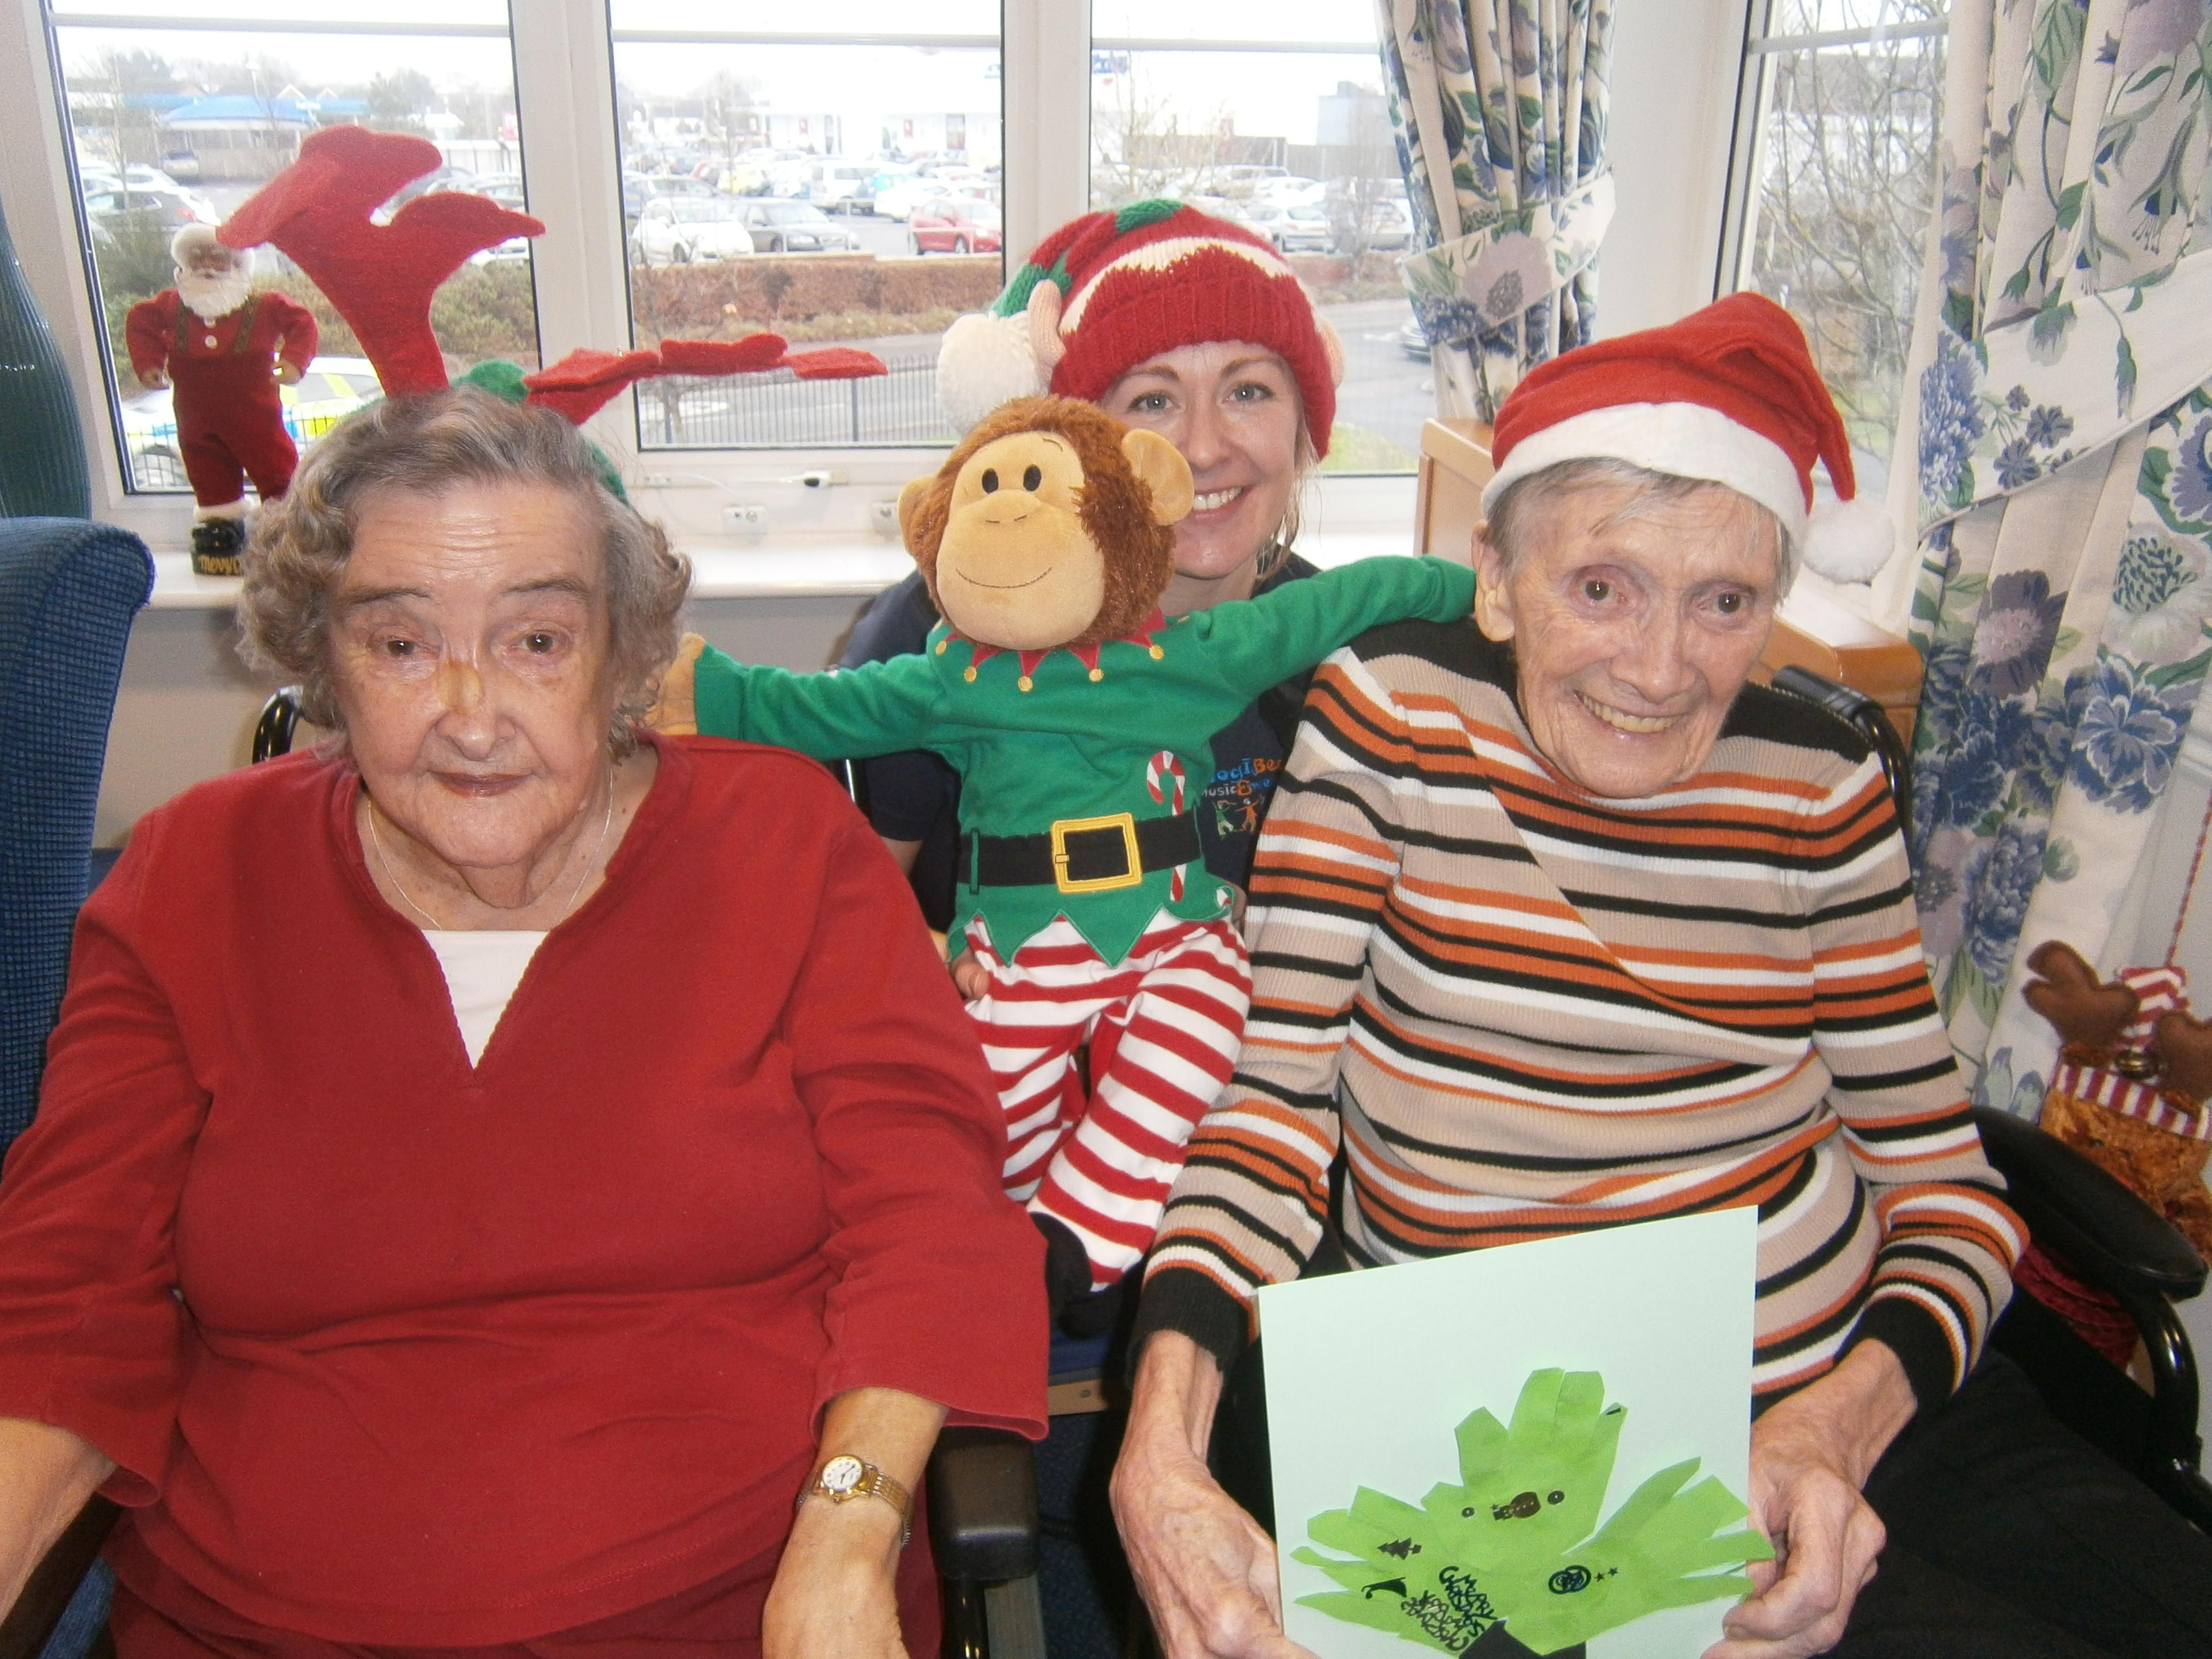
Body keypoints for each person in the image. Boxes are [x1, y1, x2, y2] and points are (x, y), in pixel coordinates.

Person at [1109, 293, 2212, 1659]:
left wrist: (1839, 1422)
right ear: (1498, 579)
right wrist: (1160, 1449)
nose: (1661, 670)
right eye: (1601, 587)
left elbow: (1948, 1194)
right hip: (1528, 1456)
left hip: (1854, 1385)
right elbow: (1275, 1115)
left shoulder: (1819, 787)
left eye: (1726, 603)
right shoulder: (1386, 724)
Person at [0, 387, 1047, 1658]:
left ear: (622, 657)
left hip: (733, 1621)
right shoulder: (192, 878)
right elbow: (59, 1305)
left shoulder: (784, 846)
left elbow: (930, 1228)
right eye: (396, 644)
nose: (473, 710)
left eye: (537, 639)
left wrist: (840, 1539)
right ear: (322, 661)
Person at [840, 201, 1337, 945]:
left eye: (1248, 391)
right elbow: (835, 917)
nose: (1203, 449)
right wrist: (950, 967)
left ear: (1304, 423)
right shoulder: (935, 635)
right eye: (1154, 400)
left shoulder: (1338, 648)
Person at [124, 224, 318, 575]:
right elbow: (140, 320)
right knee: (207, 469)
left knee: (275, 468)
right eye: (196, 257)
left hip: (255, 416)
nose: (206, 264)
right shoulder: (171, 305)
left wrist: (293, 361)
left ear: (237, 263)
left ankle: (287, 530)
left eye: (216, 256)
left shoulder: (264, 305)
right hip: (195, 417)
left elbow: (301, 323)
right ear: (184, 263)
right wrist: (148, 363)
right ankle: (220, 530)